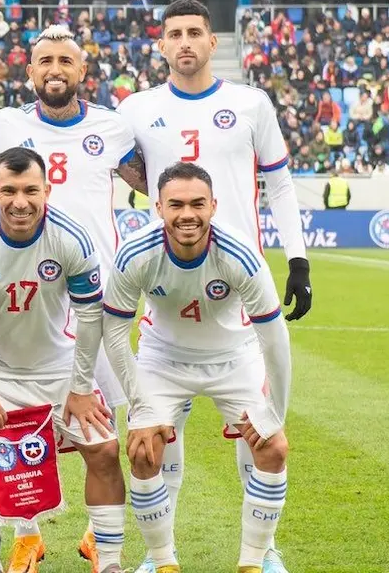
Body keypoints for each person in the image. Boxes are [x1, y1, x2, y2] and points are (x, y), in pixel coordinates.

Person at [115, 0, 308, 573]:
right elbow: (95, 156)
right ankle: (159, 557)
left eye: (194, 32)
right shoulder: (136, 109)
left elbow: (280, 184)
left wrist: (298, 259)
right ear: (161, 44)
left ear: (211, 41)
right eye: (174, 33)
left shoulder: (251, 103)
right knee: (153, 443)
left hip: (237, 284)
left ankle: (262, 551)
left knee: (261, 434)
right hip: (166, 287)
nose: (185, 42)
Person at [0, 25, 142, 569]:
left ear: (82, 70)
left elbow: (151, 177)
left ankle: (99, 535)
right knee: (14, 424)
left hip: (97, 291)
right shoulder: (3, 124)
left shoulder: (113, 126)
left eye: (66, 61)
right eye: (45, 61)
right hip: (23, 282)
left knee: (103, 414)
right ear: (30, 71)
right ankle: (26, 534)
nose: (55, 70)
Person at [0, 147, 128, 573]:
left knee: (104, 448)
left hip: (57, 364)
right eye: (9, 190)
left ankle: (109, 562)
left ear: (47, 190)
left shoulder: (71, 237)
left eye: (30, 190)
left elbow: (90, 318)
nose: (20, 202)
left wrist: (81, 388)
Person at [102, 163, 292, 573]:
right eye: (176, 204)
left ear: (213, 206)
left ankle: (257, 559)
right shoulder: (135, 252)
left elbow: (275, 337)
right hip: (163, 359)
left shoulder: (240, 253)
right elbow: (113, 335)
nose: (187, 214)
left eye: (197, 204)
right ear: (158, 207)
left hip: (233, 357)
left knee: (273, 446)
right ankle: (160, 561)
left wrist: (275, 411)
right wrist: (140, 404)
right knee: (143, 450)